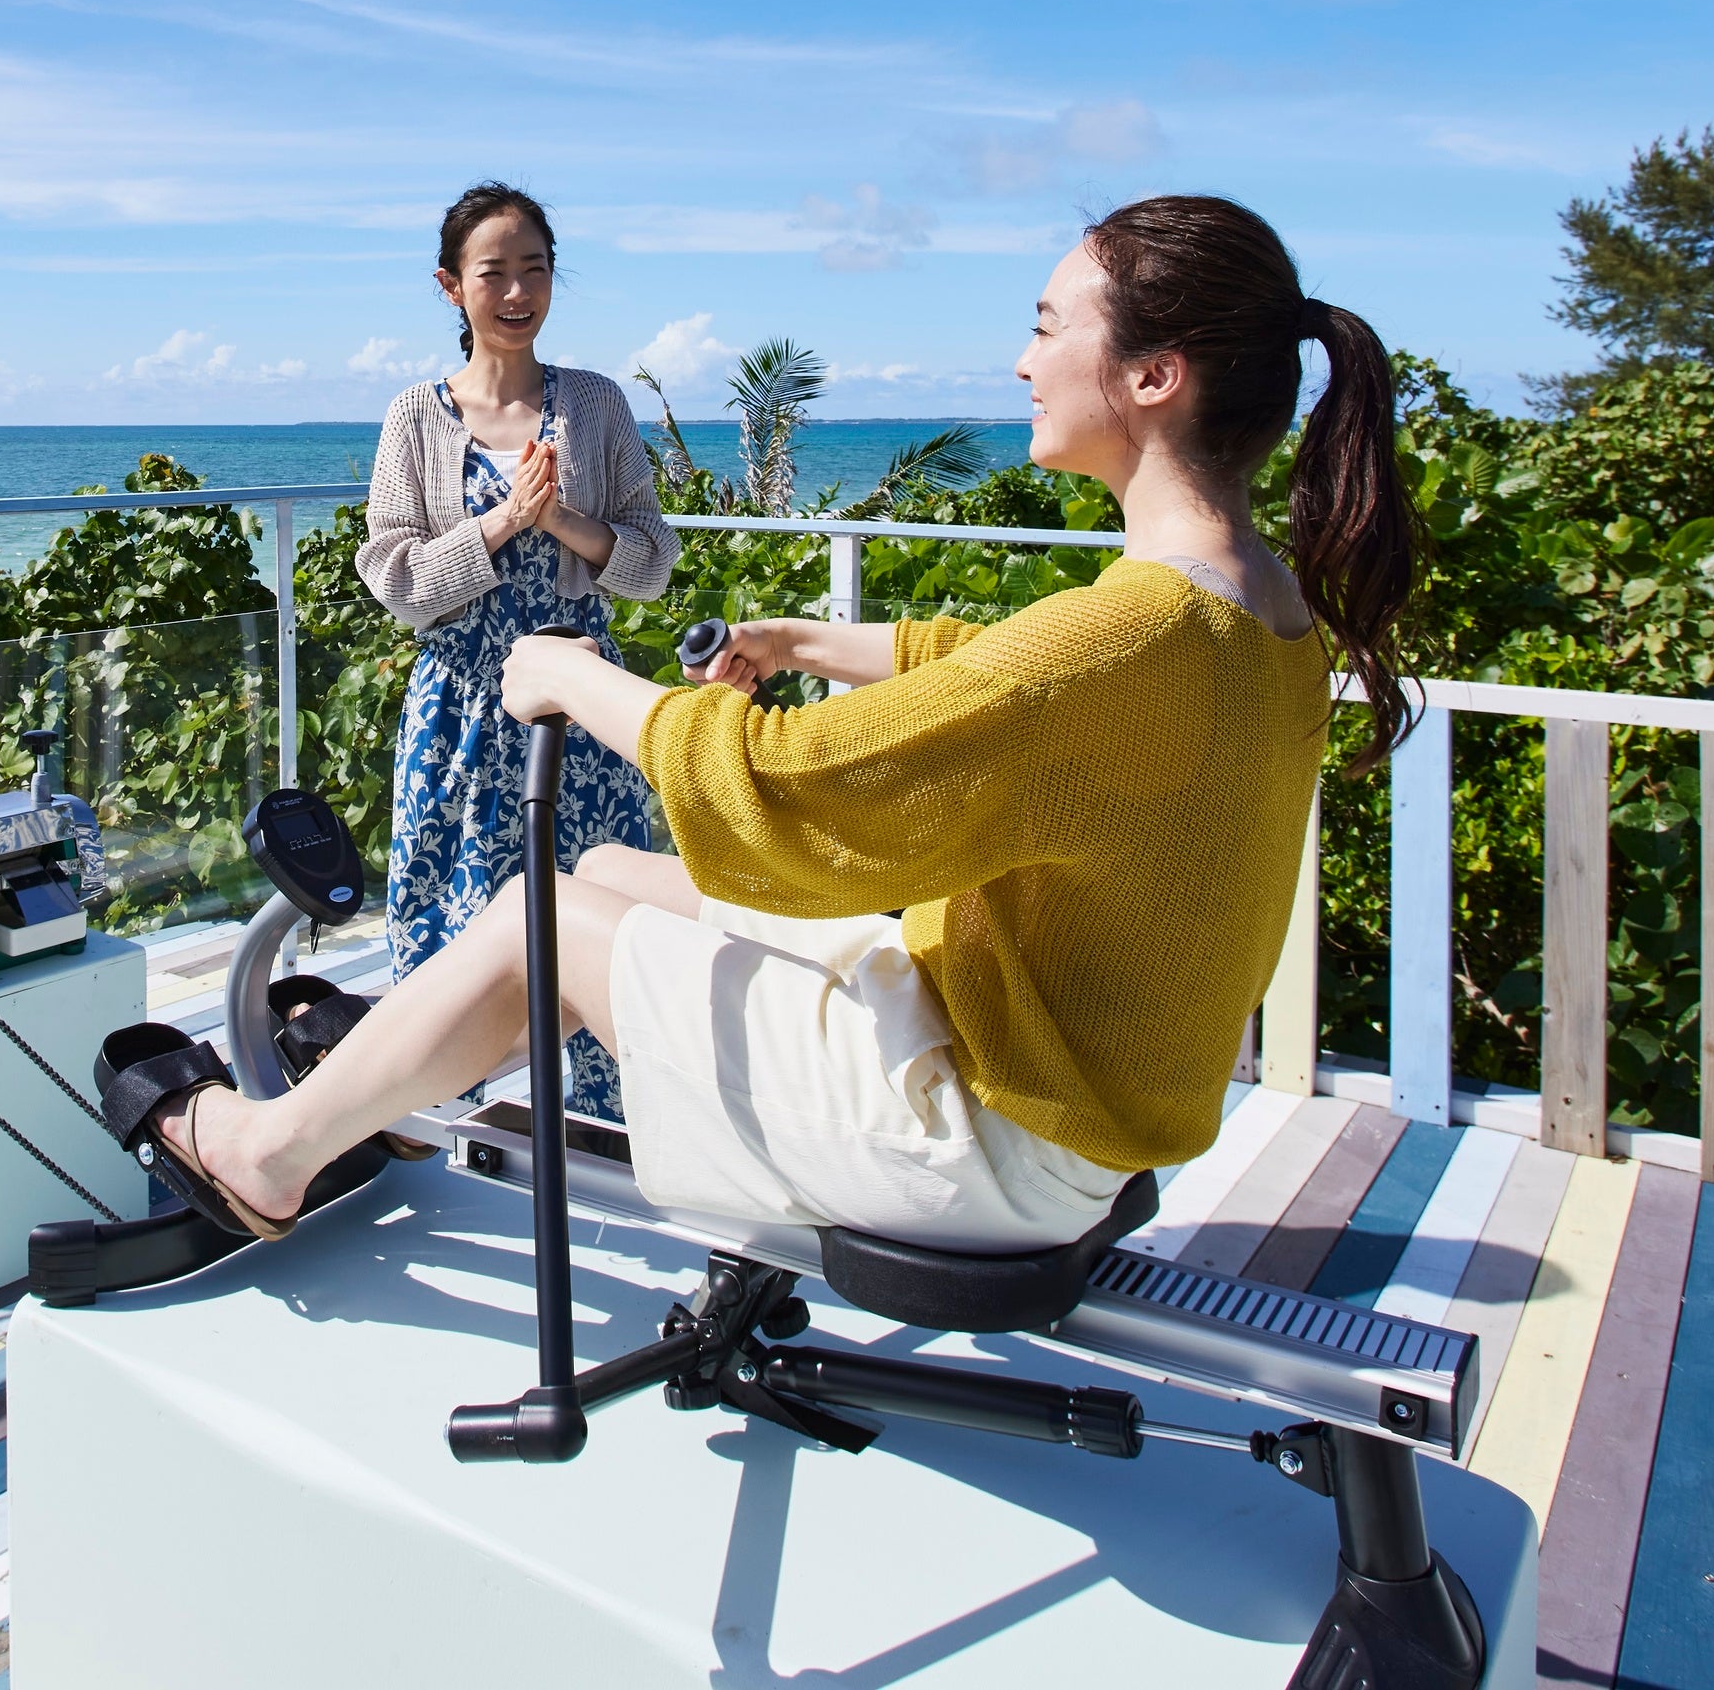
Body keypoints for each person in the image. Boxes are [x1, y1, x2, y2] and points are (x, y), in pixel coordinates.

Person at [143, 194, 1417, 1252]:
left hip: (1000, 1137)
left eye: (1044, 328)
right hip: (1053, 1075)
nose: (1024, 363)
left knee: (549, 914)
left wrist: (572, 677)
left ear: (1151, 376)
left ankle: (270, 1151)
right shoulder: (1248, 608)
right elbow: (996, 670)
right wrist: (804, 639)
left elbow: (786, 781)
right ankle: (412, 1091)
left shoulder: (1124, 637)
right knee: (607, 870)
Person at [356, 181, 677, 1122]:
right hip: (461, 707)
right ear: (450, 285)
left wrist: (562, 519)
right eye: (493, 272)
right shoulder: (415, 415)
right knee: (448, 926)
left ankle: (613, 1139)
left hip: (583, 706)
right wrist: (500, 523)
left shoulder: (597, 404)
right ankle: (439, 1128)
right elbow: (395, 579)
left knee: (604, 927)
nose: (516, 291)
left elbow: (652, 563)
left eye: (534, 269)